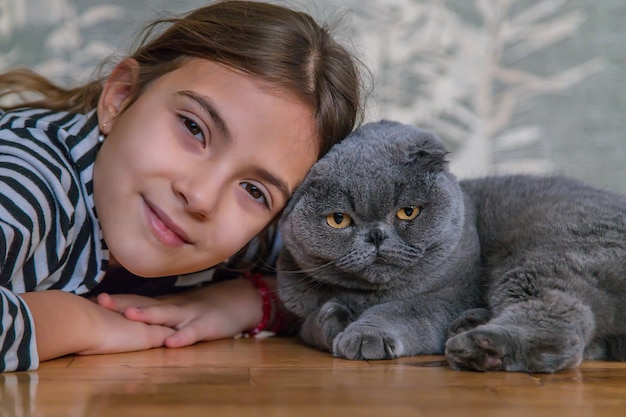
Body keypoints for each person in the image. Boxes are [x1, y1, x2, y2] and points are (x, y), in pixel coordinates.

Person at [0, 0, 365, 372]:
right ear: (122, 96)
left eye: (254, 191)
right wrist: (78, 324)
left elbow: (388, 285)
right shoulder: (27, 179)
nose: (202, 197)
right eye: (194, 128)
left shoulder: (238, 238)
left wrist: (241, 302)